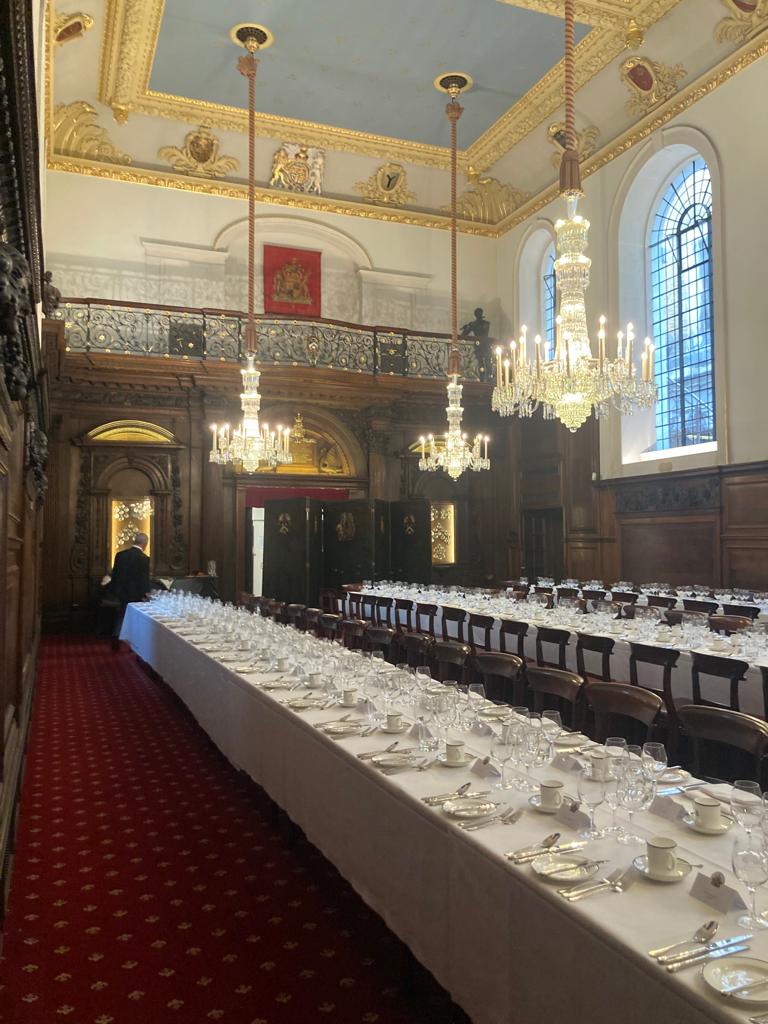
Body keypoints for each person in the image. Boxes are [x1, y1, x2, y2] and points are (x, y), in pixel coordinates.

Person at [108, 531, 151, 650]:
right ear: (145, 544)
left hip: (120, 592)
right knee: (137, 618)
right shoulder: (144, 559)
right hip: (136, 594)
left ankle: (116, 639)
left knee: (121, 615)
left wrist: (115, 592)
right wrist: (146, 593)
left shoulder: (120, 555)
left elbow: (115, 574)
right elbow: (143, 579)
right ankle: (135, 642)